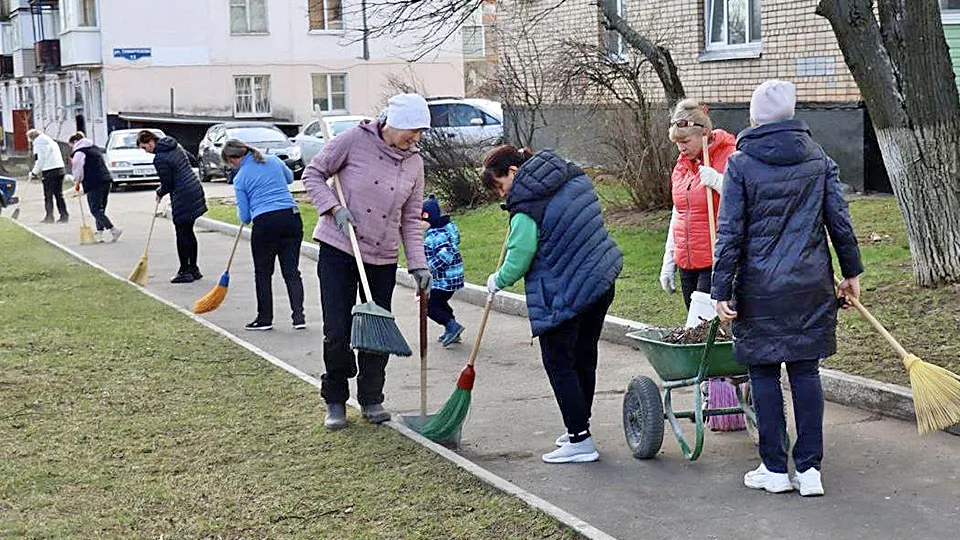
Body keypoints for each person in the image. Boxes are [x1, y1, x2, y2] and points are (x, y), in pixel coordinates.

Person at [712, 80, 863, 497]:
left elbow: (730, 233)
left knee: (763, 371)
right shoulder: (818, 159)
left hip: (758, 288)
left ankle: (775, 469)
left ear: (755, 118)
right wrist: (851, 272)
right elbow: (840, 222)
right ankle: (810, 470)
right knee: (805, 370)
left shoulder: (740, 165)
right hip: (809, 285)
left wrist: (721, 288)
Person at [482, 145, 623, 464]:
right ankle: (579, 428)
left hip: (565, 291)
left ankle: (579, 440)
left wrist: (498, 280)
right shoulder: (573, 178)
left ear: (514, 173)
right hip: (599, 281)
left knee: (559, 362)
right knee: (584, 357)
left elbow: (519, 258)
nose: (503, 197)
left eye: (501, 187)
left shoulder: (527, 207)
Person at [303, 93, 433, 430]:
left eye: (420, 132)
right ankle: (335, 399)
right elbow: (313, 175)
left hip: (383, 256)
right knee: (338, 330)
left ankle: (372, 398)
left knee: (377, 329)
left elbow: (410, 219)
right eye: (412, 131)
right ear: (394, 123)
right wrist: (333, 208)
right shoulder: (353, 141)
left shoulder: (414, 162)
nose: (415, 138)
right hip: (340, 248)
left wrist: (418, 264)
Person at [660, 99, 737, 309]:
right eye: (677, 142)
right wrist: (669, 258)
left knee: (703, 324)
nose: (680, 148)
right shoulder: (682, 165)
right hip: (687, 260)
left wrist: (720, 182)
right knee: (694, 326)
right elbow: (679, 211)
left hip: (715, 260)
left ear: (703, 134)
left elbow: (747, 198)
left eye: (685, 141)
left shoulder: (730, 156)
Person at [222, 139, 305, 332]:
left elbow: (245, 216)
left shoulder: (240, 177)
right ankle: (298, 317)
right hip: (291, 217)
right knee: (292, 272)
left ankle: (265, 318)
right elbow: (290, 178)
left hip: (266, 224)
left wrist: (244, 212)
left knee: (263, 273)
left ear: (233, 159)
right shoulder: (274, 160)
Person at [137, 130, 207, 283]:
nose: (146, 151)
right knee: (189, 231)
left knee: (182, 233)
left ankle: (184, 271)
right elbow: (192, 159)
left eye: (145, 147)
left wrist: (160, 192)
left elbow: (168, 183)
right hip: (194, 188)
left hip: (183, 195)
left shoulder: (160, 158)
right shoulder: (175, 145)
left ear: (151, 142)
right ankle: (194, 269)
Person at [421, 194, 465, 347]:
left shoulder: (435, 236)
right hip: (451, 278)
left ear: (430, 219)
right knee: (440, 303)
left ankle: (452, 326)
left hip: (444, 280)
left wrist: (429, 268)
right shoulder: (443, 231)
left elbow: (445, 256)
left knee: (430, 307)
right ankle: (451, 327)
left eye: (421, 221)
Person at [69, 132, 121, 242]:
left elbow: (78, 168)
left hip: (94, 182)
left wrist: (77, 181)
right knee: (101, 209)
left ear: (75, 142)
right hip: (106, 180)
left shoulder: (80, 152)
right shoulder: (94, 148)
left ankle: (113, 229)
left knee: (95, 209)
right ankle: (100, 233)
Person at [27, 129, 68, 223]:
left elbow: (40, 161)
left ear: (32, 138)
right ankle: (64, 216)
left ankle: (49, 217)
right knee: (59, 195)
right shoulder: (51, 141)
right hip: (60, 169)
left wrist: (34, 173)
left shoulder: (38, 145)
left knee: (48, 196)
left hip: (50, 171)